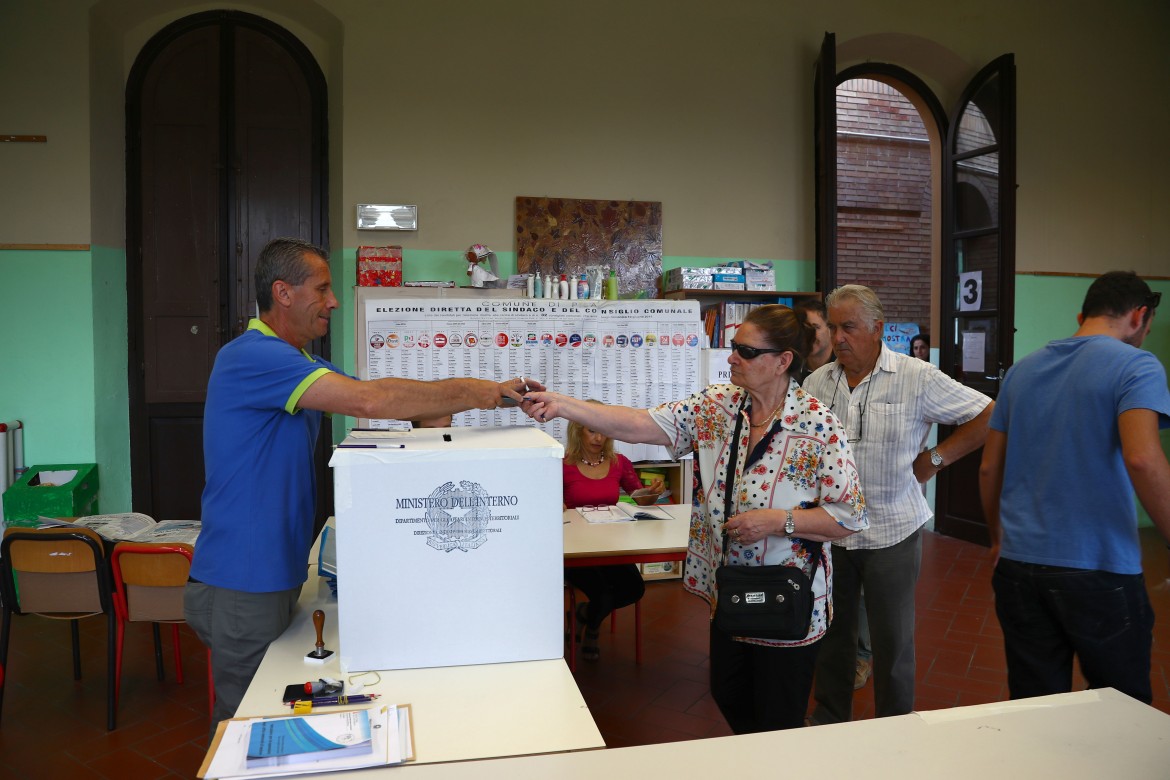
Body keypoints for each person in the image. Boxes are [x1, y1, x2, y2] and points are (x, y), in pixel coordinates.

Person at [185, 237, 538, 729]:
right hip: (242, 582)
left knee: (273, 716)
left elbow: (394, 403)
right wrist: (483, 391)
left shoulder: (302, 365)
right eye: (323, 288)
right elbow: (372, 402)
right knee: (245, 727)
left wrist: (462, 409)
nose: (333, 301)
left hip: (272, 575)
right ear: (283, 294)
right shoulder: (252, 357)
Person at [524, 305, 868, 732]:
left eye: (745, 350)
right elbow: (638, 423)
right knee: (728, 692)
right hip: (729, 592)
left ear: (782, 361)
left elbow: (850, 516)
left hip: (788, 601)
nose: (731, 358)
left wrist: (780, 521)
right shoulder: (716, 408)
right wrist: (562, 405)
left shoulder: (819, 427)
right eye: (732, 347)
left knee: (777, 718)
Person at [804, 284, 993, 725]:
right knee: (832, 635)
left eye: (848, 327)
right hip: (831, 530)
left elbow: (989, 414)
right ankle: (829, 717)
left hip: (892, 528)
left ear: (878, 330)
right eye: (833, 327)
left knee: (892, 641)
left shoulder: (916, 376)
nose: (839, 337)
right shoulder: (818, 382)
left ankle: (896, 726)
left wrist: (934, 460)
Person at [979, 271, 1170, 703]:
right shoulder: (1137, 365)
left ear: (1082, 315)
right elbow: (1142, 457)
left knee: (1037, 705)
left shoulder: (1023, 370)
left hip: (1018, 566)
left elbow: (990, 468)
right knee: (1121, 711)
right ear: (1139, 316)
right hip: (1099, 569)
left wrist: (997, 538)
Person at [797, 297, 872, 689]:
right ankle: (828, 654)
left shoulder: (846, 372)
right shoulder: (804, 377)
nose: (809, 336)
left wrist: (933, 460)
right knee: (829, 584)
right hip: (816, 507)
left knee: (858, 592)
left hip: (861, 509)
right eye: (803, 329)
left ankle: (860, 655)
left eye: (815, 328)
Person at [563, 403, 664, 661]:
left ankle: (581, 615)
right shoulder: (563, 465)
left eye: (604, 431)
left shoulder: (619, 463)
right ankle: (593, 629)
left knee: (634, 588)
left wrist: (652, 493)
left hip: (610, 543)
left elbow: (637, 496)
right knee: (605, 595)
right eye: (592, 431)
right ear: (578, 431)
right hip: (576, 549)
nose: (599, 438)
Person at [795, 298, 833, 374]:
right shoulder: (793, 367)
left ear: (830, 329)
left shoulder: (845, 367)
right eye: (803, 328)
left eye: (815, 327)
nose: (808, 334)